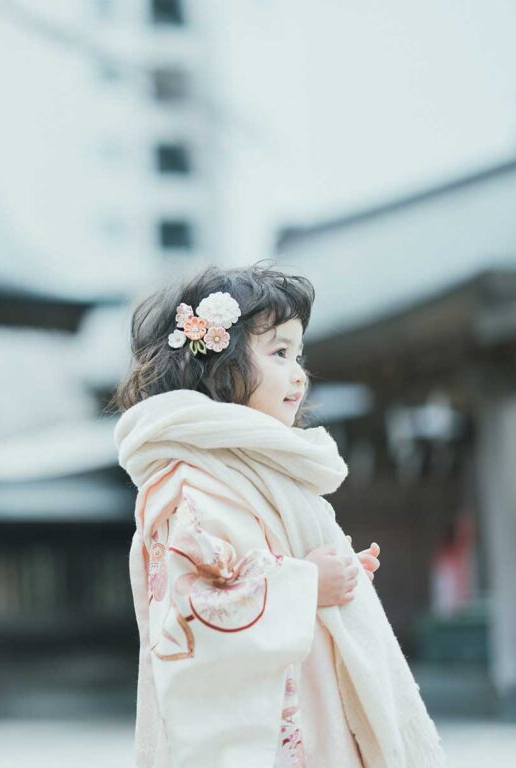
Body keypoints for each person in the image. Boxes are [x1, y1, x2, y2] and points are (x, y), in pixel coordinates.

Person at [111, 263, 444, 768]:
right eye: (280, 353)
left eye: (299, 355)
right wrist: (307, 584)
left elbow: (262, 561)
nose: (298, 373)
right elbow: (191, 607)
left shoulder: (265, 470)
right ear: (221, 368)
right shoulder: (190, 482)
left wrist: (329, 574)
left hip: (313, 701)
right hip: (270, 729)